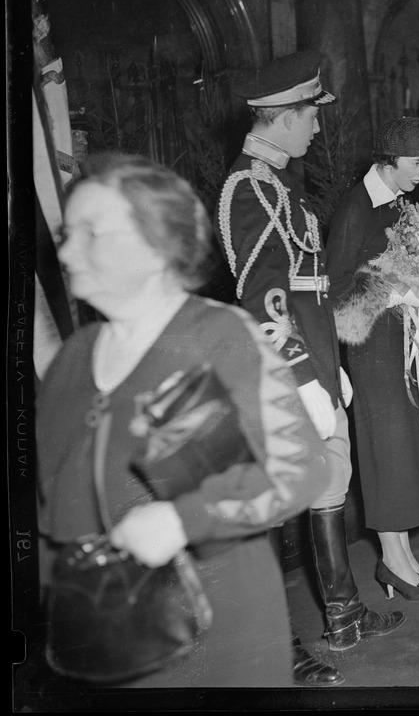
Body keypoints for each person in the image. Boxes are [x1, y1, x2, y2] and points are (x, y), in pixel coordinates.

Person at [37, 155, 332, 686]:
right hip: (91, 639)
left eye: (90, 233)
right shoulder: (72, 358)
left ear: (157, 245)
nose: (66, 250)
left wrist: (179, 521)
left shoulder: (214, 336)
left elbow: (299, 471)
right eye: (66, 232)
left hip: (211, 637)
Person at [215, 50, 402, 681]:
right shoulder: (249, 189)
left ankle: (343, 614)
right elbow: (262, 299)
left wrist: (329, 365)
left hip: (318, 365)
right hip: (283, 375)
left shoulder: (279, 184)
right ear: (279, 117)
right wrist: (302, 374)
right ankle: (273, 645)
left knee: (330, 487)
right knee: (274, 510)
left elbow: (307, 290)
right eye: (309, 116)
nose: (318, 128)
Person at [326, 116, 419, 601]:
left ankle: (402, 555)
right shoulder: (356, 208)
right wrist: (394, 290)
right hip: (373, 351)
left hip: (403, 345)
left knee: (406, 452)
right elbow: (336, 287)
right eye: (416, 164)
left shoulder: (400, 201)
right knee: (387, 451)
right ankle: (392, 559)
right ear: (389, 160)